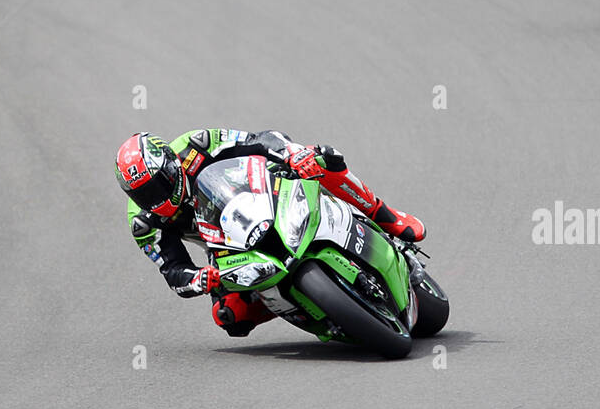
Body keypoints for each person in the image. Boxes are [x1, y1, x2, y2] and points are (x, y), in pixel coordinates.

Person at [115, 129, 424, 336]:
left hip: (263, 193)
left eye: (158, 185)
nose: (156, 198)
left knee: (322, 158)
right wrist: (198, 278)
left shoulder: (198, 143)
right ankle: (312, 309)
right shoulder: (143, 223)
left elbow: (260, 139)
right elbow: (173, 270)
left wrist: (291, 154)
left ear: (171, 165)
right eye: (144, 194)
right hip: (227, 246)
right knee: (229, 316)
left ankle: (385, 215)